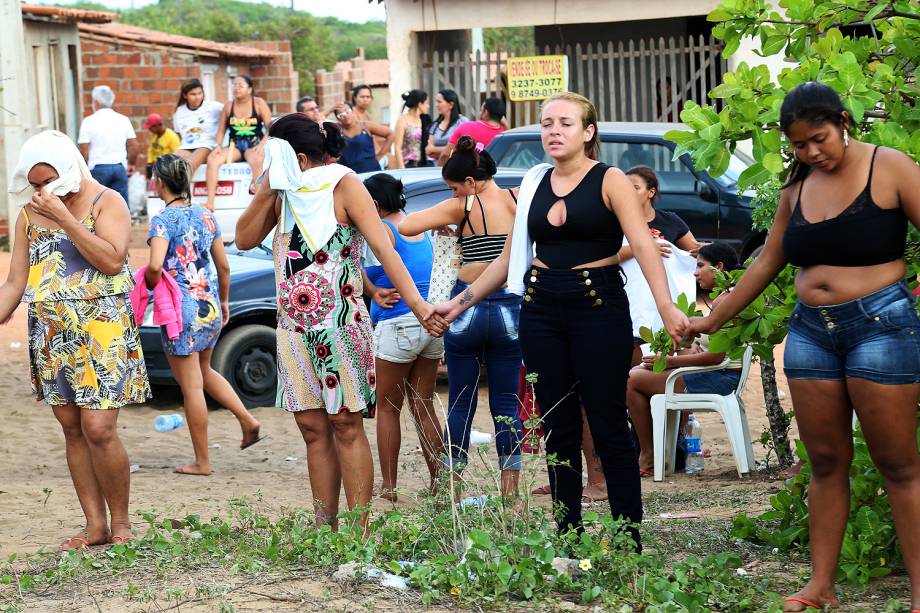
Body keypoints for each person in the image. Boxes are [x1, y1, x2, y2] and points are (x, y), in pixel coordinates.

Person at [688, 81, 920, 612]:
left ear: (843, 120)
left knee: (898, 463)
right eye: (799, 145)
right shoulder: (797, 187)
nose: (813, 152)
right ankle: (821, 587)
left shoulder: (892, 167)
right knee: (825, 461)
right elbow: (767, 262)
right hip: (812, 333)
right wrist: (710, 320)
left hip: (881, 327)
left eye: (819, 139)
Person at [432, 93, 687, 546]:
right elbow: (511, 258)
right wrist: (461, 302)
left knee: (607, 418)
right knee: (557, 422)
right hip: (541, 306)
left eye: (565, 123)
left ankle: (628, 537)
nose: (553, 131)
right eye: (547, 123)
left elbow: (644, 244)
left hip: (598, 305)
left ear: (588, 132)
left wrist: (667, 307)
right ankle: (569, 535)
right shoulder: (533, 182)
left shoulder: (610, 180)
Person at [235, 114, 446, 530]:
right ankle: (323, 527)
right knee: (312, 428)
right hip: (293, 330)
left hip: (342, 328)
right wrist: (267, 188)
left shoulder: (345, 185)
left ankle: (361, 532)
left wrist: (420, 307)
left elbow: (386, 251)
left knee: (346, 424)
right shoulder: (282, 194)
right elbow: (243, 238)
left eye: (270, 154)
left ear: (296, 156)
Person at [5, 130, 150, 550]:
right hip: (52, 334)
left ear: (70, 169)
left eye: (48, 181)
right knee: (72, 429)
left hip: (102, 330)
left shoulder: (108, 201)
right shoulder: (29, 216)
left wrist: (66, 219)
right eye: (34, 185)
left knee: (99, 427)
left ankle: (121, 522)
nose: (42, 191)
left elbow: (111, 259)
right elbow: (15, 282)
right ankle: (95, 525)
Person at [400, 135, 523, 497]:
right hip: (510, 309)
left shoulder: (463, 206)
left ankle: (452, 489)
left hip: (465, 307)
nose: (452, 194)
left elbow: (407, 227)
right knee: (506, 404)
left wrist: (453, 220)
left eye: (454, 187)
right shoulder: (518, 197)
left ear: (470, 183)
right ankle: (511, 495)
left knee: (460, 402)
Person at [145, 154, 262, 476]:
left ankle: (202, 461)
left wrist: (151, 283)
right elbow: (223, 267)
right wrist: (224, 303)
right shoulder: (206, 216)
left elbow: (155, 266)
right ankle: (248, 419)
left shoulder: (162, 221)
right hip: (208, 303)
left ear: (161, 183)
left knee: (192, 386)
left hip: (180, 310)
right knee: (205, 370)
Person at [362, 173, 444, 501]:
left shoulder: (382, 230)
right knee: (424, 406)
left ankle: (389, 487)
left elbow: (355, 267)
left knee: (387, 408)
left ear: (375, 204)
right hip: (429, 321)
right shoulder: (417, 227)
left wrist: (373, 291)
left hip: (398, 323)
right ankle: (440, 481)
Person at [627, 242, 740, 475]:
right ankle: (658, 451)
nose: (695, 272)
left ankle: (648, 456)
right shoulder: (729, 295)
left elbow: (716, 356)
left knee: (633, 380)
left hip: (721, 378)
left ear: (719, 267)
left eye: (700, 266)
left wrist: (671, 362)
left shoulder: (725, 300)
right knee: (637, 374)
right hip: (718, 374)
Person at [206, 75, 273, 210]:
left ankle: (259, 205)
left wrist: (261, 146)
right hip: (234, 145)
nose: (236, 88)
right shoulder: (228, 106)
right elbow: (221, 130)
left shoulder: (258, 103)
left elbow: (270, 128)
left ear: (249, 89)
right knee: (212, 159)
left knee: (257, 161)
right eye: (234, 85)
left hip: (253, 144)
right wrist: (217, 146)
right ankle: (210, 202)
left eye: (240, 85)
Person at [77, 85, 138, 204]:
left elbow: (84, 151)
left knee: (97, 205)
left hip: (98, 169)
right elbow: (134, 146)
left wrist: (82, 172)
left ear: (96, 102)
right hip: (119, 168)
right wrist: (131, 164)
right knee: (121, 206)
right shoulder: (123, 120)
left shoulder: (88, 121)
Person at [174, 79, 224, 177]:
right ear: (185, 95)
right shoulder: (179, 112)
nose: (197, 97)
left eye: (200, 93)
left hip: (207, 146)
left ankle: (183, 191)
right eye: (193, 94)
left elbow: (231, 113)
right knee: (168, 163)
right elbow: (179, 135)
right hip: (186, 147)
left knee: (188, 165)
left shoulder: (214, 107)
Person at [439, 97, 506, 164]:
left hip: (464, 172)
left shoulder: (465, 127)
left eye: (481, 110)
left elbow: (446, 154)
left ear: (486, 112)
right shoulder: (504, 136)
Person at [335, 103, 393, 173]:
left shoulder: (365, 126)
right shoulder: (336, 130)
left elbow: (391, 134)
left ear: (353, 111)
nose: (345, 115)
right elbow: (319, 123)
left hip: (371, 170)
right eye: (341, 114)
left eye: (347, 111)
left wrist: (380, 155)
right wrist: (330, 110)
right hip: (349, 174)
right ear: (337, 118)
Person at [426, 89, 468, 165]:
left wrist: (435, 150)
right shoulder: (434, 125)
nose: (436, 105)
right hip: (435, 167)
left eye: (439, 102)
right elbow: (429, 150)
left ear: (451, 105)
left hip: (456, 166)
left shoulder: (463, 122)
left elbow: (463, 148)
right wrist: (449, 150)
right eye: (436, 101)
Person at [393, 89, 429, 168]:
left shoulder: (425, 120)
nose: (428, 106)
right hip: (409, 165)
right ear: (420, 104)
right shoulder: (402, 120)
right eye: (426, 103)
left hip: (426, 165)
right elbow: (397, 148)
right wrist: (402, 169)